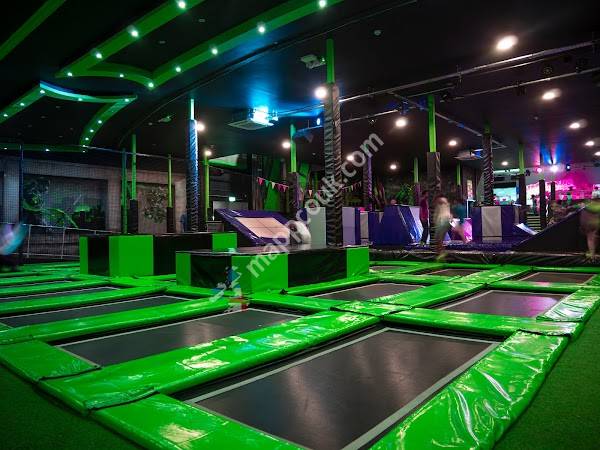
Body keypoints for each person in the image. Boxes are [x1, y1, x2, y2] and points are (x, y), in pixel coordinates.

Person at [433, 194, 452, 259]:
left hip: (443, 221)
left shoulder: (443, 201)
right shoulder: (441, 205)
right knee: (439, 239)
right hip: (443, 221)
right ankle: (440, 252)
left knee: (439, 238)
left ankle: (441, 252)